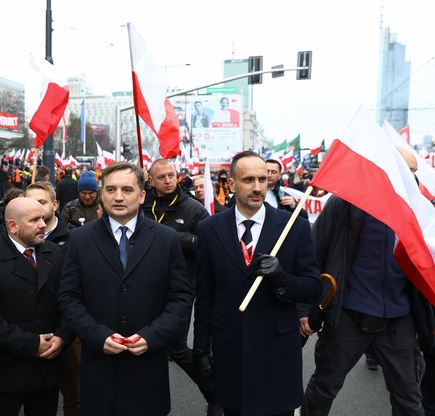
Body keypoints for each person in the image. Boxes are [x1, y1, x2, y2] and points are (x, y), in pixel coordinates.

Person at [58, 161, 194, 416]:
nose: (118, 197)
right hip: (99, 369)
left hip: (147, 369)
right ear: (102, 194)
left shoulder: (166, 238)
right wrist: (97, 336)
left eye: (127, 190)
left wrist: (152, 336)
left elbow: (180, 298)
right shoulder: (80, 239)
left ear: (142, 195)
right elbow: (68, 297)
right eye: (110, 189)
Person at [193, 150, 322, 415]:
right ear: (232, 183)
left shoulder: (294, 227)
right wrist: (201, 347)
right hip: (230, 349)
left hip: (277, 350)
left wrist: (282, 279)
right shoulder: (209, 229)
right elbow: (205, 293)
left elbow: (313, 288)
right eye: (249, 180)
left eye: (263, 179)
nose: (258, 187)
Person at [300, 148, 427, 416]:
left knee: (409, 398)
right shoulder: (346, 203)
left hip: (399, 319)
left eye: (415, 172)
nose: (413, 179)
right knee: (324, 387)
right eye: (408, 171)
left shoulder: (421, 211)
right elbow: (312, 255)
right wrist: (303, 310)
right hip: (348, 315)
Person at [0, 197, 72, 416]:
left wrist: (63, 336)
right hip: (8, 374)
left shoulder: (54, 254)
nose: (43, 225)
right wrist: (31, 344)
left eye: (43, 219)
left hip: (48, 371)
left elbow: (69, 301)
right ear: (13, 226)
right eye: (35, 220)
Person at [143, 159, 219, 415]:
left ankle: (215, 394)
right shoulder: (140, 205)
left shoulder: (193, 209)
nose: (167, 180)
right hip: (144, 289)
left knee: (176, 348)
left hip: (180, 289)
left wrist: (173, 237)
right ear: (150, 181)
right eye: (161, 177)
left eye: (171, 175)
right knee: (144, 346)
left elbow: (210, 247)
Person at [25, 181, 78, 415]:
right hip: (28, 335)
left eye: (42, 202)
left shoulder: (76, 238)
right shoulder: (11, 239)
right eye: (30, 202)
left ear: (55, 205)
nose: (35, 207)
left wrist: (66, 333)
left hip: (69, 331)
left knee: (75, 397)